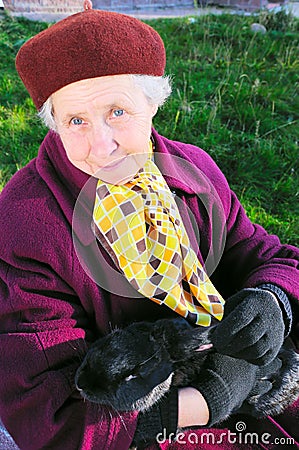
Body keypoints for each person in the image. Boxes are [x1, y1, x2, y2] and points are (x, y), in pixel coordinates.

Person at [0, 5, 298, 450]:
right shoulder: (26, 222)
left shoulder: (193, 167)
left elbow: (262, 254)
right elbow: (45, 409)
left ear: (153, 103)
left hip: (249, 379)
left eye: (117, 111)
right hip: (139, 428)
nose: (101, 145)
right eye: (75, 121)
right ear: (54, 123)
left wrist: (271, 301)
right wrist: (213, 397)